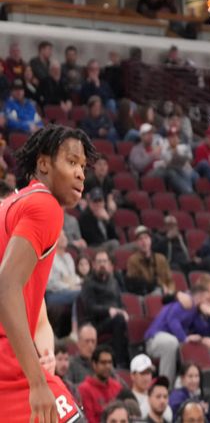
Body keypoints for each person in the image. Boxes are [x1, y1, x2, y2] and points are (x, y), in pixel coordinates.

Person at [0, 124, 96, 423]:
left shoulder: (11, 204)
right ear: (43, 164)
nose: (81, 173)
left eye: (83, 166)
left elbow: (27, 293)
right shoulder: (45, 206)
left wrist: (42, 341)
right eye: (71, 162)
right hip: (10, 370)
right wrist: (38, 382)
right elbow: (6, 287)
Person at [144, 279, 210, 385]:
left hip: (175, 340)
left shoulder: (197, 310)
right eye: (209, 294)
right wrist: (184, 338)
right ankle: (165, 385)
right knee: (171, 342)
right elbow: (172, 320)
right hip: (155, 338)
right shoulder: (186, 301)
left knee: (198, 343)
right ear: (201, 295)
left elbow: (207, 334)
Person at [79, 248, 130, 366]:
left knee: (126, 320)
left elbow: (120, 303)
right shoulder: (89, 283)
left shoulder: (114, 282)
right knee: (119, 320)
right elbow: (89, 307)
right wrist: (108, 311)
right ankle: (119, 362)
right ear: (94, 265)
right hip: (96, 323)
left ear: (109, 264)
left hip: (113, 319)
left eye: (104, 261)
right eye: (99, 261)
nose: (102, 264)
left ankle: (128, 361)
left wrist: (123, 311)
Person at [78, 345, 124, 423]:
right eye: (103, 362)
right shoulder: (84, 389)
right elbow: (89, 419)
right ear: (94, 364)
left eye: (110, 362)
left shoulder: (117, 386)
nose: (107, 366)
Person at [125, 225, 174, 296]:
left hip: (165, 294)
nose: (144, 242)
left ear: (150, 240)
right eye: (140, 239)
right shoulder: (133, 260)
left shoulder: (161, 258)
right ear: (137, 243)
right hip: (146, 294)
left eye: (146, 238)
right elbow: (137, 284)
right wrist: (161, 286)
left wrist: (170, 291)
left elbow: (170, 280)